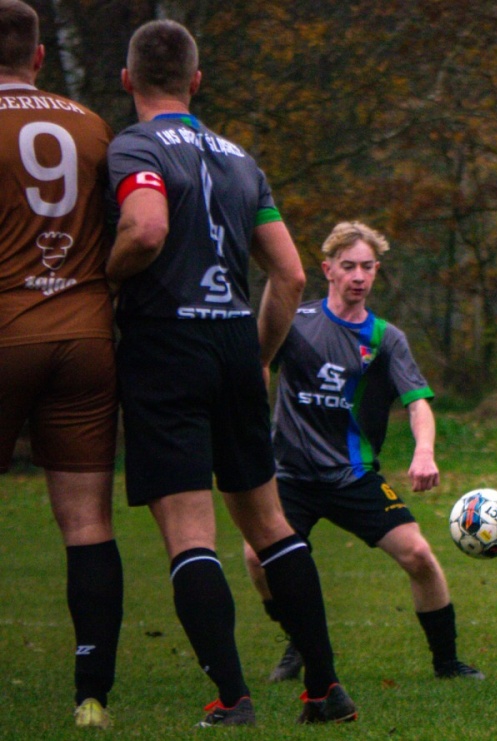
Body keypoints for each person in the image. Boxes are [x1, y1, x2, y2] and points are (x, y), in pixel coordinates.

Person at [105, 20, 355, 726]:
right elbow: (291, 272)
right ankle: (325, 688)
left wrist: (105, 277)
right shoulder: (242, 159)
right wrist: (259, 353)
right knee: (272, 526)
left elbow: (145, 229)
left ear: (128, 81)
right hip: (232, 349)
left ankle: (233, 696)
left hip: (167, 348)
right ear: (196, 80)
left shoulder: (135, 144)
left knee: (191, 533)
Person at [242, 221, 484, 682]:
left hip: (353, 475)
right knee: (258, 559)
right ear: (327, 269)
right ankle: (296, 638)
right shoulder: (295, 320)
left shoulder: (386, 338)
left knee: (419, 556)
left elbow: (418, 403)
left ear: (376, 272)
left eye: (367, 267)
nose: (358, 276)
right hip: (291, 476)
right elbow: (258, 363)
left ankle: (447, 663)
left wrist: (425, 452)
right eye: (349, 266)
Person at [0, 0, 122, 728]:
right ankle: (91, 695)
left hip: (6, 327)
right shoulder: (90, 124)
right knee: (86, 522)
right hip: (84, 335)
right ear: (39, 56)